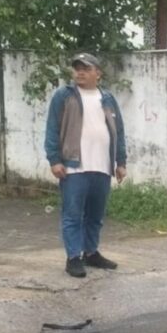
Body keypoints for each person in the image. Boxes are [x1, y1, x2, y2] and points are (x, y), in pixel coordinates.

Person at [44, 53, 127, 278]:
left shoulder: (108, 98)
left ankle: (91, 253)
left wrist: (121, 162)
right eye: (77, 68)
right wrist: (54, 160)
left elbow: (118, 131)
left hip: (102, 166)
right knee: (72, 214)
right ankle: (73, 257)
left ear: (97, 73)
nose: (80, 72)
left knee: (95, 215)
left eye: (86, 68)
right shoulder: (64, 96)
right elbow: (52, 128)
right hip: (73, 167)